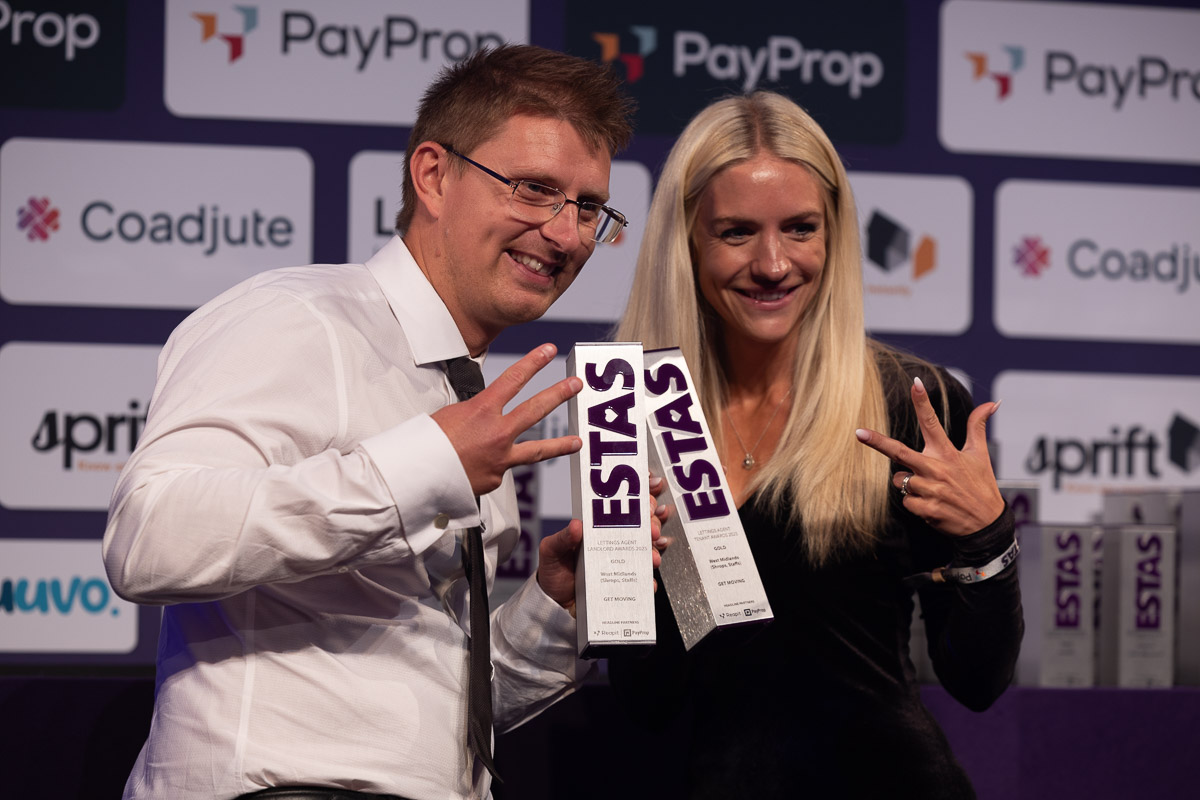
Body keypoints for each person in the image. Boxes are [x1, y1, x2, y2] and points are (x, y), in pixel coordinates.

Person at [102, 45, 655, 800]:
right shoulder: (300, 316)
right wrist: (425, 465)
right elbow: (149, 537)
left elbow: (421, 717)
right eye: (535, 190)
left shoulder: (464, 393)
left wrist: (555, 603)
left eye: (589, 208)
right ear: (434, 176)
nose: (567, 235)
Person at [608, 91, 1023, 799]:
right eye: (737, 232)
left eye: (800, 228)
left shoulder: (911, 403)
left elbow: (977, 681)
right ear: (687, 241)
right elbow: (647, 701)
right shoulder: (632, 415)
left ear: (834, 236)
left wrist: (988, 540)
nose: (773, 264)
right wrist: (619, 578)